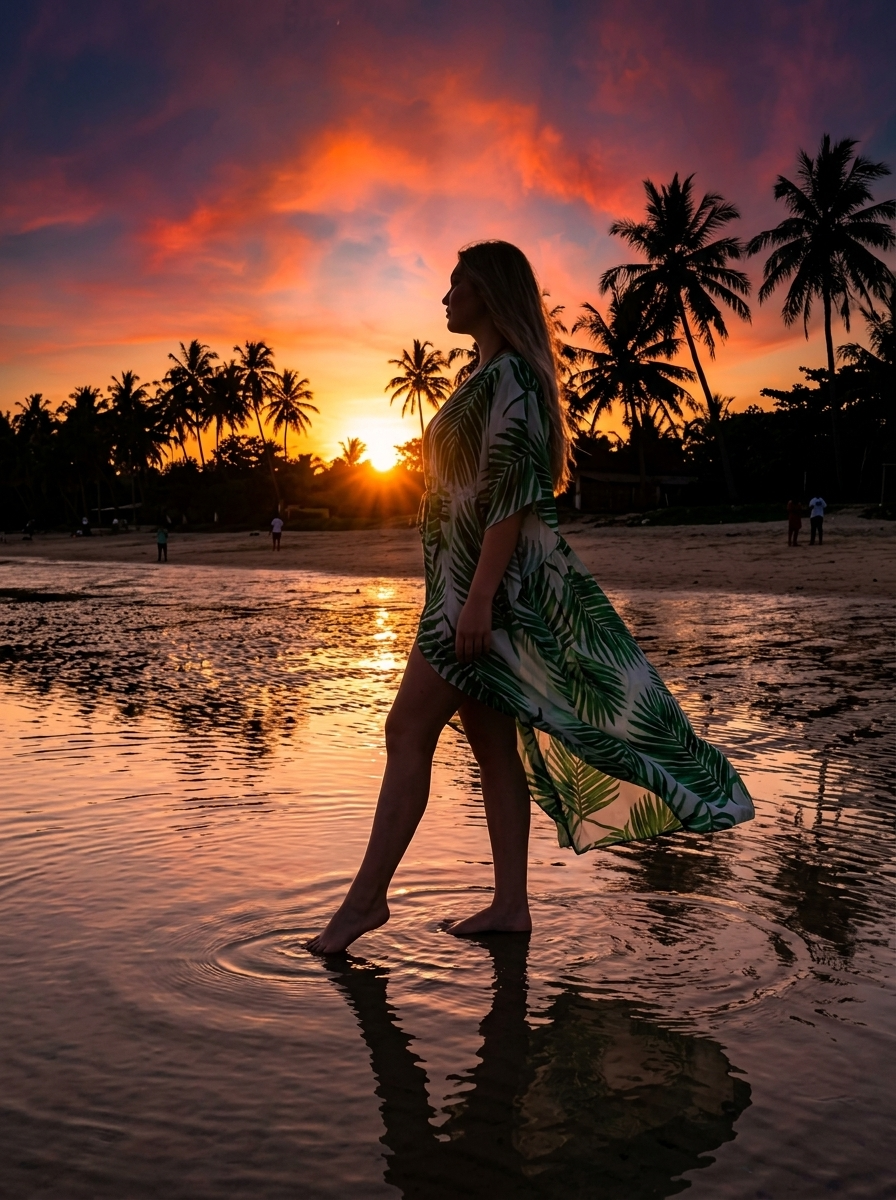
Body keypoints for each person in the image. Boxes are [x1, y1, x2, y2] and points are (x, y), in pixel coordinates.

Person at [307, 240, 754, 956]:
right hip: (460, 589)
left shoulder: (510, 376)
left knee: (404, 732)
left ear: (488, 289)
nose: (446, 298)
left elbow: (512, 497)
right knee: (489, 745)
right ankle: (510, 905)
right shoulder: (481, 374)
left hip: (476, 596)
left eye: (456, 285)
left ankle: (366, 902)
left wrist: (478, 601)